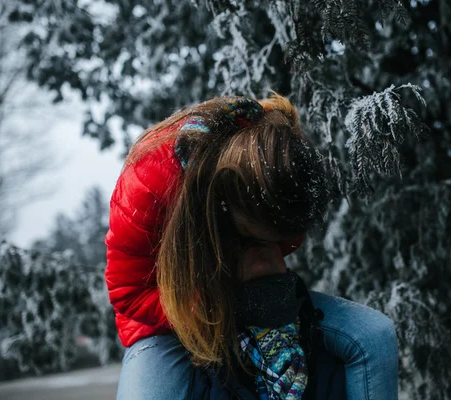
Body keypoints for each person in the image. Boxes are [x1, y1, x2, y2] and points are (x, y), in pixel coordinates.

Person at [105, 94, 398, 399]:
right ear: (231, 205)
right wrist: (216, 303)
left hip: (247, 298)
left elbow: (284, 238)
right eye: (258, 237)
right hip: (167, 323)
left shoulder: (283, 165)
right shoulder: (148, 184)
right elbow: (128, 295)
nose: (275, 246)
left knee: (373, 337)